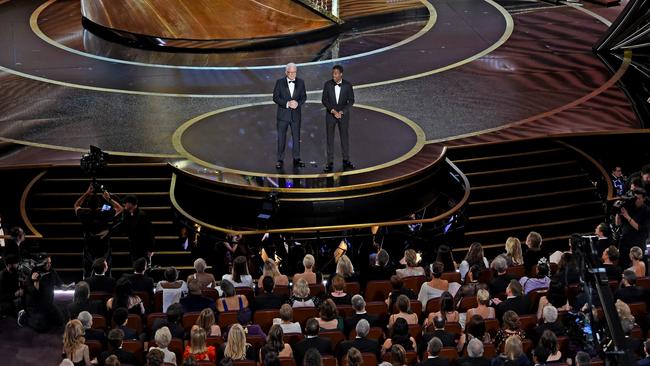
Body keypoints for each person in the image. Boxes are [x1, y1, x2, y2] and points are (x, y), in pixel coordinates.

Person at [74, 185, 122, 277]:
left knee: (88, 270)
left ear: (88, 205)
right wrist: (108, 199)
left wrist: (86, 193)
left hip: (89, 245)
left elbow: (76, 205)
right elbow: (120, 208)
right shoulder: (105, 214)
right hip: (103, 246)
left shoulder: (84, 214)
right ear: (99, 205)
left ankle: (87, 287)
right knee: (106, 268)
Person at [321, 64, 355, 172]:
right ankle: (329, 162)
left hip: (343, 116)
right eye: (333, 73)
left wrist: (342, 112)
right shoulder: (327, 85)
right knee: (330, 139)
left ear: (341, 74)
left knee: (344, 138)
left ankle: (346, 160)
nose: (334, 76)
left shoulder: (348, 85)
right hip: (330, 115)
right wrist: (332, 110)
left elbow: (351, 100)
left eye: (336, 74)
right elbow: (324, 100)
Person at [273, 62, 307, 169]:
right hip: (283, 116)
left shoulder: (301, 82)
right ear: (286, 72)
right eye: (290, 72)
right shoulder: (279, 82)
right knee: (281, 138)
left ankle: (296, 158)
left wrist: (298, 103)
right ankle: (280, 159)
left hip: (296, 116)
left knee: (296, 138)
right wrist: (287, 104)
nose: (292, 75)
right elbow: (275, 97)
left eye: (294, 72)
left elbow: (303, 97)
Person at [18, 255, 65, 332]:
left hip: (48, 304)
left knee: (60, 321)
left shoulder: (52, 271)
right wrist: (36, 281)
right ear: (40, 264)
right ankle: (24, 316)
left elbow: (60, 283)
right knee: (42, 327)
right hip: (35, 306)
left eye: (50, 262)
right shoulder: (32, 274)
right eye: (46, 263)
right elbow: (34, 295)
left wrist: (65, 286)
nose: (49, 265)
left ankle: (44, 317)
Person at [616, 188, 649, 268]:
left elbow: (640, 228)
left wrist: (627, 216)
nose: (636, 200)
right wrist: (617, 212)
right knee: (624, 267)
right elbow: (618, 224)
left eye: (638, 198)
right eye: (635, 198)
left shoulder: (647, 211)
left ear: (644, 199)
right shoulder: (629, 206)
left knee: (639, 268)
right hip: (625, 242)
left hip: (638, 244)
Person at [120, 194, 155, 265]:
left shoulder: (142, 216)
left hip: (142, 249)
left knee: (142, 268)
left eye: (126, 202)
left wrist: (151, 249)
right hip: (134, 248)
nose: (124, 204)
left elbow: (150, 233)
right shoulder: (129, 214)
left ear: (130, 204)